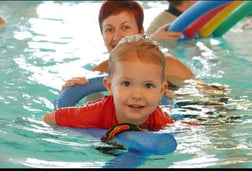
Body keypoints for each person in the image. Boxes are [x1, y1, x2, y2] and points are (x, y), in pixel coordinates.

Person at [62, 0, 195, 99]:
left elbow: (205, 96)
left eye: (125, 28)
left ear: (141, 33)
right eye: (109, 29)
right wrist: (69, 91)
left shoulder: (168, 65)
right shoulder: (98, 74)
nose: (117, 37)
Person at [43, 34, 174, 131]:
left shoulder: (159, 119)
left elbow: (184, 130)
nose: (137, 95)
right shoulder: (94, 113)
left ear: (161, 91)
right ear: (110, 86)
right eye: (127, 84)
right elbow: (50, 118)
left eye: (148, 85)